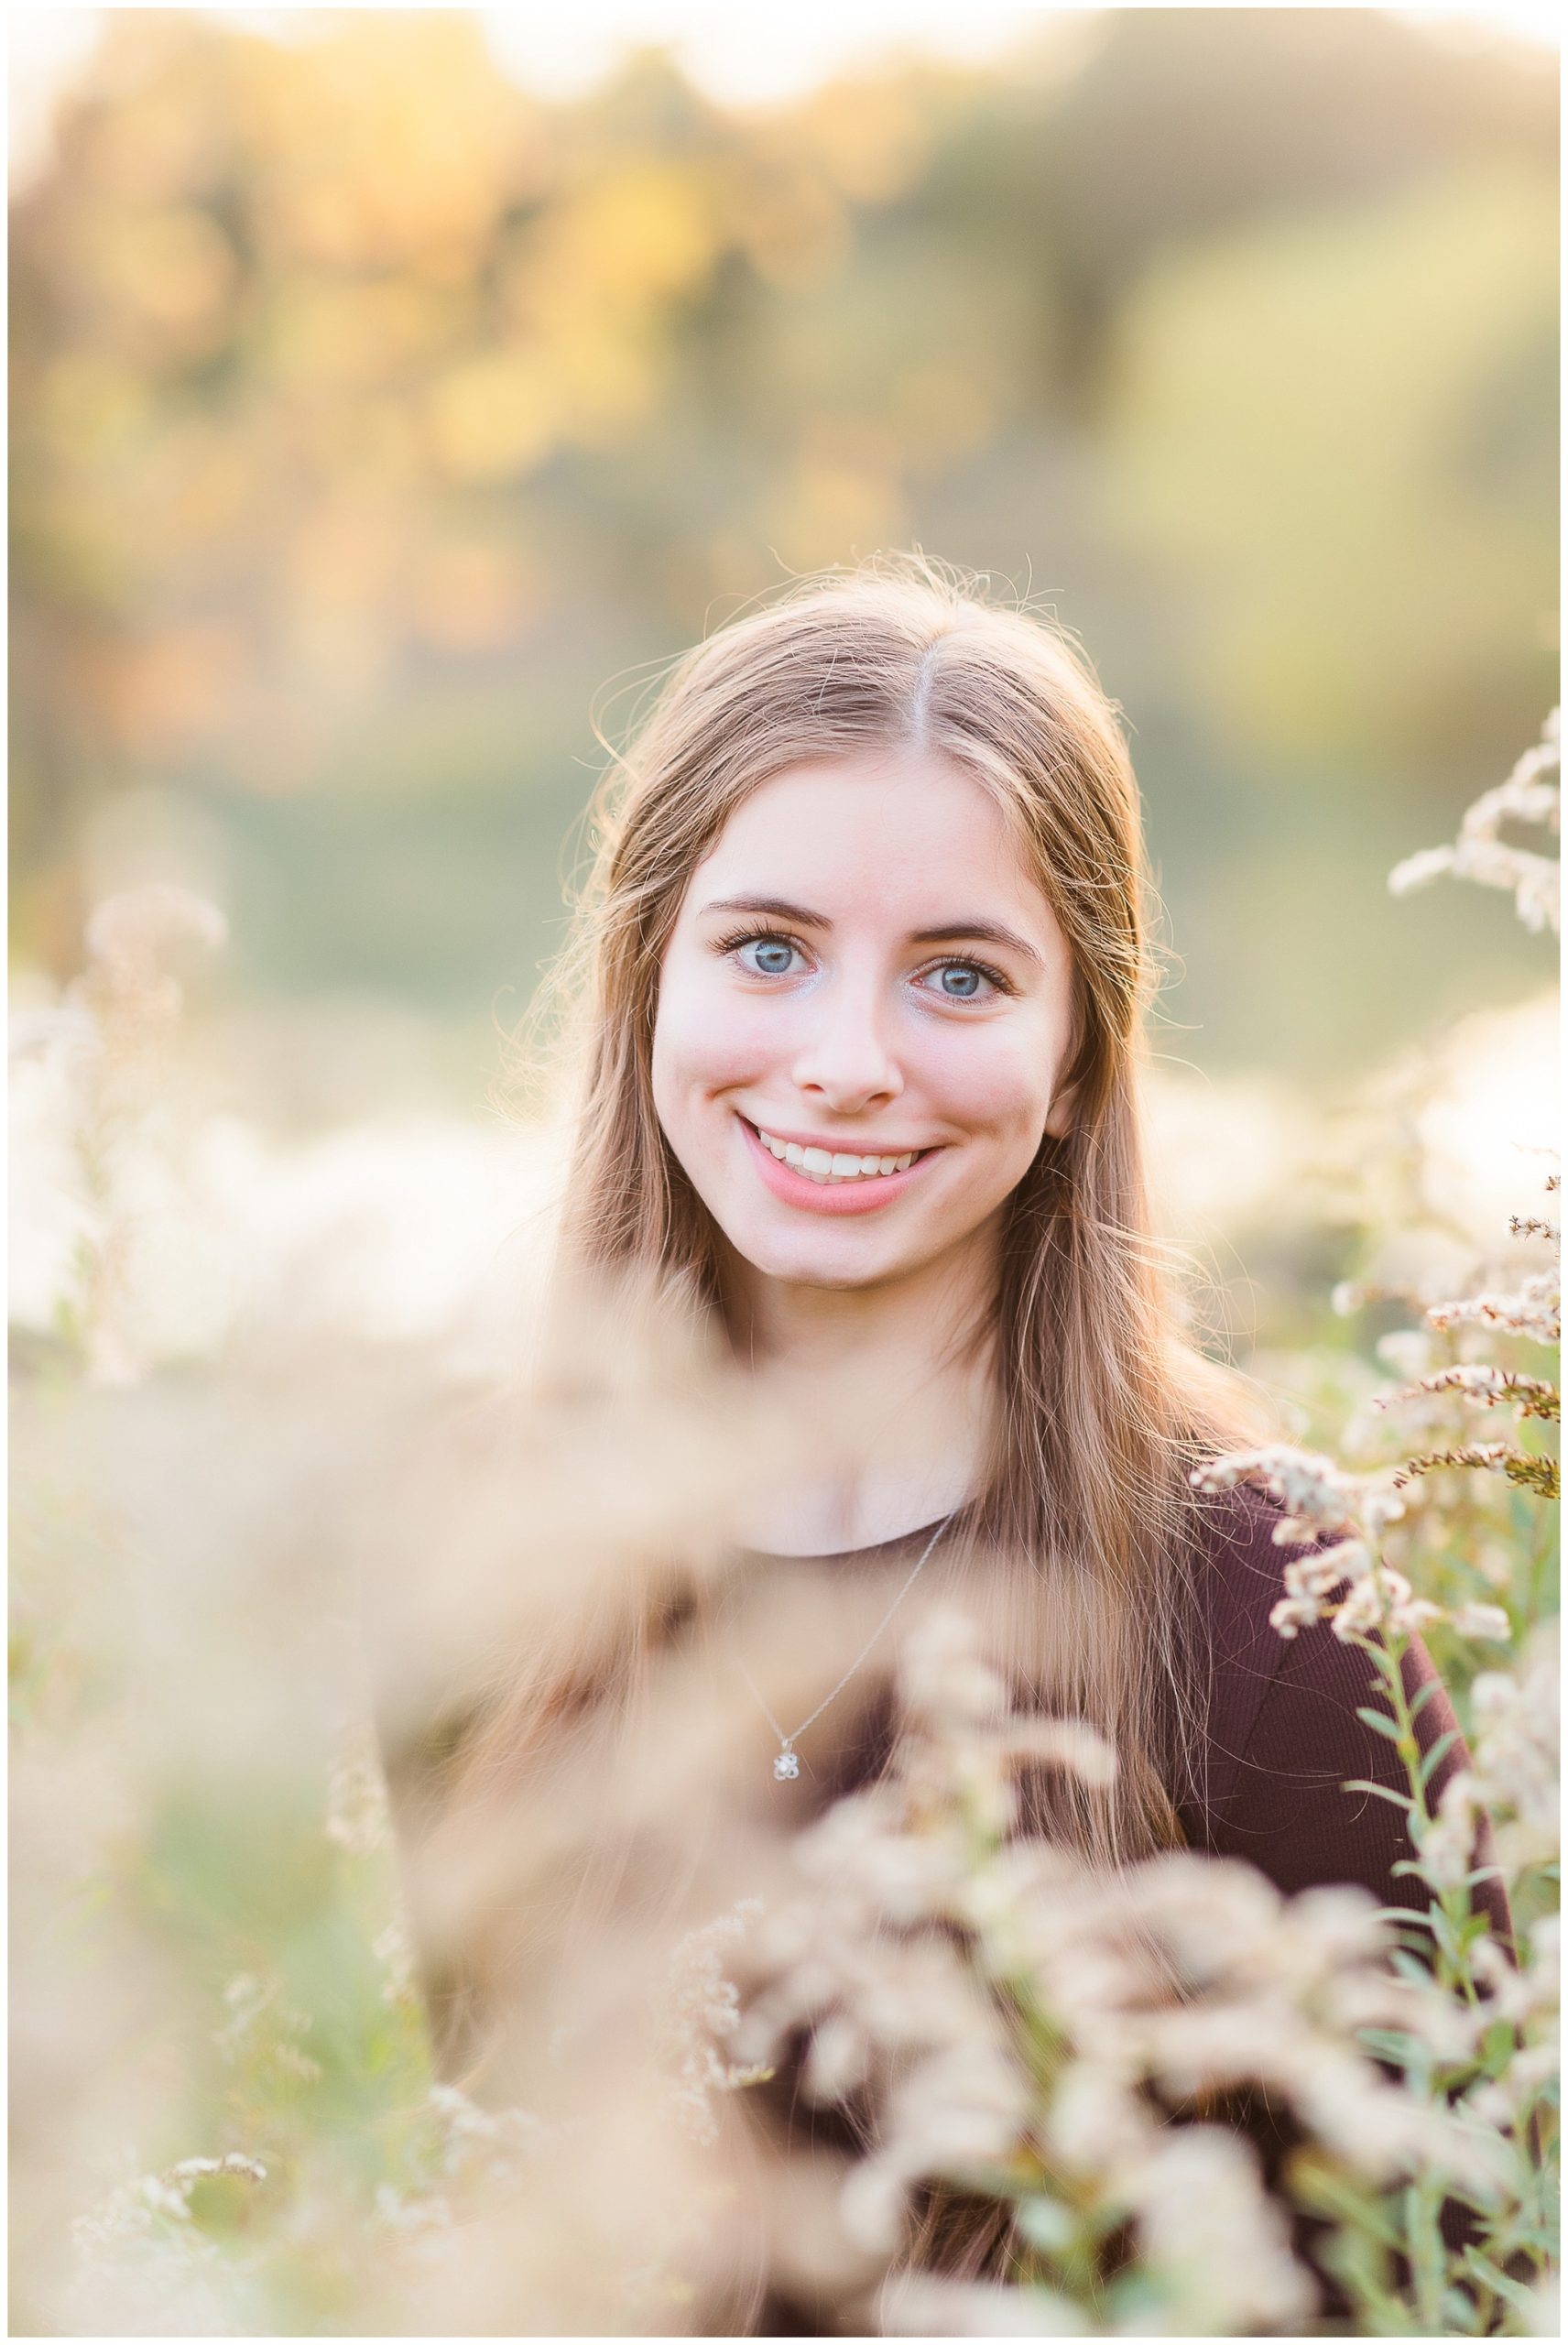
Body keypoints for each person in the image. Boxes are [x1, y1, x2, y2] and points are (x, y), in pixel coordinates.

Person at [379, 556, 1508, 2331]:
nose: (843, 1060)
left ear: (1074, 1056)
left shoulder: (1271, 1609)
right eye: (767, 950)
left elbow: (1462, 2277)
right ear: (644, 980)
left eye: (959, 976)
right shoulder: (485, 1553)